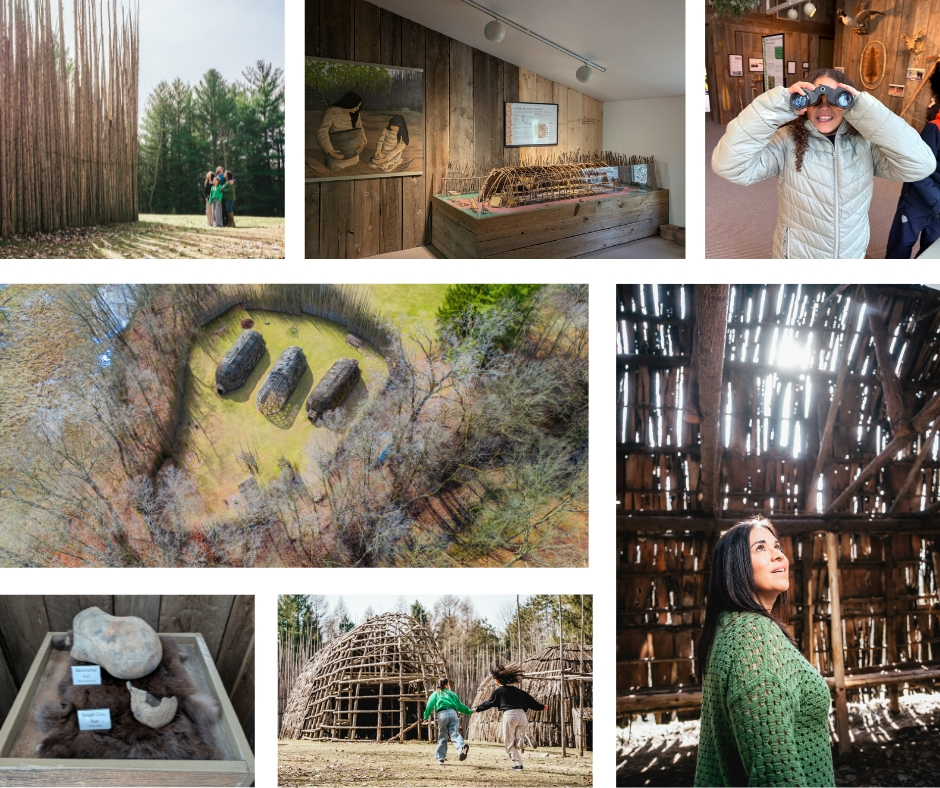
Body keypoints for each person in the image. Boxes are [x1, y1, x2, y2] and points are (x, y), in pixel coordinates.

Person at [712, 69, 934, 258]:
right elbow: (730, 166)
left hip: (851, 253)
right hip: (799, 257)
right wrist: (777, 106)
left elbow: (920, 165)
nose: (824, 107)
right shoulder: (787, 140)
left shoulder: (864, 143)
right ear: (804, 103)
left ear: (848, 102)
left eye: (836, 99)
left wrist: (866, 111)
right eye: (815, 99)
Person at [693, 516, 835, 787]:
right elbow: (774, 773)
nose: (778, 556)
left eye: (777, 547)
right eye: (760, 548)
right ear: (735, 567)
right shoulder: (754, 637)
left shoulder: (730, 628)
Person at [886, 68, 940, 258]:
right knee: (899, 250)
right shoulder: (934, 129)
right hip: (916, 203)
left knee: (930, 255)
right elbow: (916, 170)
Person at [474, 664, 545, 771]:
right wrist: (541, 707)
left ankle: (518, 764)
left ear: (497, 680)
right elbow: (530, 700)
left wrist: (477, 709)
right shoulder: (518, 691)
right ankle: (524, 739)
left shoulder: (498, 691)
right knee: (518, 741)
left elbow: (488, 703)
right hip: (522, 715)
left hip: (510, 715)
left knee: (509, 742)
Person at [422, 678, 472, 765]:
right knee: (454, 734)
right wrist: (469, 711)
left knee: (443, 735)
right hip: (453, 714)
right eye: (449, 684)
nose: (449, 686)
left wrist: (426, 717)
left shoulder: (436, 693)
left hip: (442, 714)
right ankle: (461, 748)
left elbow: (429, 705)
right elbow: (460, 706)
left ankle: (441, 758)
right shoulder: (452, 694)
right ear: (445, 685)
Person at [316, 91, 367, 170]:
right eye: (356, 105)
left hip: (353, 154)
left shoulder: (355, 113)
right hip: (336, 154)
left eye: (359, 106)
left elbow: (360, 129)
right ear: (349, 103)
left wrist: (363, 143)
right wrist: (329, 150)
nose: (358, 108)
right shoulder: (332, 111)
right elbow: (322, 131)